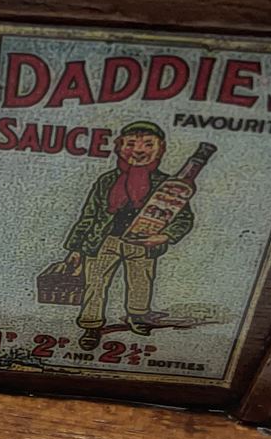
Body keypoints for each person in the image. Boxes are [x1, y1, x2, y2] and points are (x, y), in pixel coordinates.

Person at [62, 121, 195, 351]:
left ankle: (137, 317)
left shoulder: (167, 185)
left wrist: (163, 237)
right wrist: (76, 248)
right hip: (103, 242)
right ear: (119, 147)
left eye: (147, 144)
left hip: (143, 244)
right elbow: (89, 215)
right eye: (131, 143)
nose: (139, 150)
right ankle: (91, 325)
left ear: (160, 148)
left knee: (141, 281)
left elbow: (184, 219)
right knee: (95, 283)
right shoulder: (107, 181)